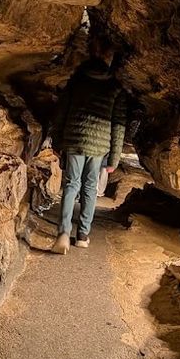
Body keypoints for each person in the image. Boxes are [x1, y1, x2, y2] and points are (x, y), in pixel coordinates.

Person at [48, 56, 128, 253]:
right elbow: (119, 125)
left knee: (71, 184)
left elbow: (61, 113)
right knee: (90, 187)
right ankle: (83, 235)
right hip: (99, 145)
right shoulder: (115, 88)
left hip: (74, 138)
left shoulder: (76, 82)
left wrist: (57, 142)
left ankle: (63, 233)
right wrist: (114, 158)